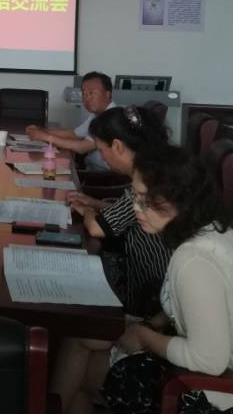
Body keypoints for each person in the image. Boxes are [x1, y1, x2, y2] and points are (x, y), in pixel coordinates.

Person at [58, 145, 233, 414]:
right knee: (82, 336)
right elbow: (190, 310)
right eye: (135, 196)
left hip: (216, 395)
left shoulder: (193, 261)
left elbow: (208, 360)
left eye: (146, 201)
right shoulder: (208, 230)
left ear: (180, 200)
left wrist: (144, 336)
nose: (136, 208)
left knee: (83, 370)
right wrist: (149, 325)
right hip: (215, 377)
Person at [66, 105, 173, 316]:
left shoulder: (147, 180)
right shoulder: (159, 168)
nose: (102, 157)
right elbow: (131, 212)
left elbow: (97, 228)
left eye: (100, 150)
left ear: (117, 146)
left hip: (150, 294)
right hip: (155, 283)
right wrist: (94, 202)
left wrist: (87, 210)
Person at [26, 71, 115, 170]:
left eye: (92, 93)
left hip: (104, 176)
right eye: (84, 93)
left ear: (107, 94)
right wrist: (41, 130)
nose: (87, 98)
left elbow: (82, 147)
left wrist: (45, 137)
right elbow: (74, 134)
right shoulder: (98, 114)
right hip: (90, 168)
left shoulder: (111, 118)